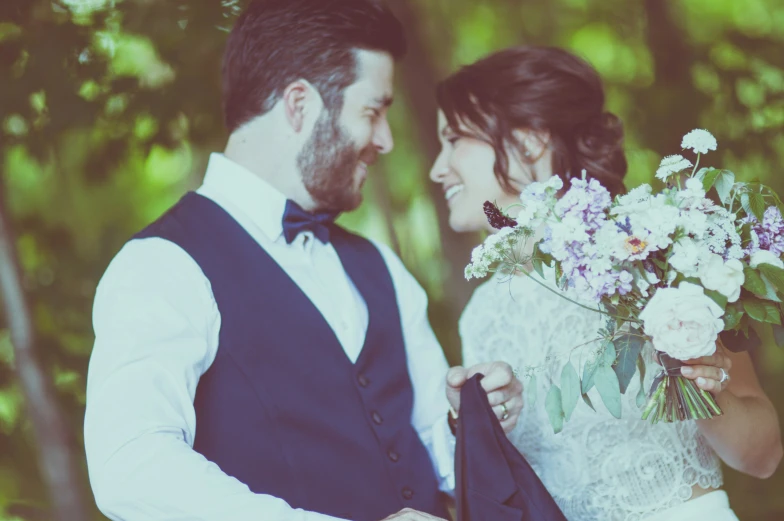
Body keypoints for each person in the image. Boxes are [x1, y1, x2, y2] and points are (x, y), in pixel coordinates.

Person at [83, 1, 524, 520]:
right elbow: (130, 467)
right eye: (372, 111)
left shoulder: (380, 265)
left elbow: (436, 449)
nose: (385, 139)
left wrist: (473, 421)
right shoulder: (162, 265)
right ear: (298, 104)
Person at [429, 45, 782, 521]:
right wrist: (483, 424)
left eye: (454, 140)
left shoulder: (658, 252)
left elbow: (762, 458)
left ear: (530, 139)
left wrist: (701, 375)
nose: (437, 167)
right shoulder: (481, 318)